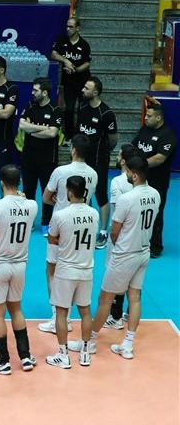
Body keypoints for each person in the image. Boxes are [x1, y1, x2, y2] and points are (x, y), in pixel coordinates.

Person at [67, 156, 160, 361]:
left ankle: (90, 342)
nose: (125, 173)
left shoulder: (127, 199)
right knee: (134, 298)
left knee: (105, 299)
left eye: (128, 172)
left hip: (125, 254)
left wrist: (119, 248)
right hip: (143, 252)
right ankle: (128, 345)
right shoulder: (155, 194)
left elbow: (115, 231)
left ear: (134, 175)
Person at [0, 165, 38, 375]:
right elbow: (24, 201)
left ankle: (2, 361)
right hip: (19, 266)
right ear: (19, 182)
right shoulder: (32, 206)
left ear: (0, 182)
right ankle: (25, 357)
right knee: (16, 309)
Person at [38, 134, 98, 335]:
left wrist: (58, 200)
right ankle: (67, 317)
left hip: (61, 224)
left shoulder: (60, 171)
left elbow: (45, 198)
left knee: (52, 270)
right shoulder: (93, 174)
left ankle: (58, 317)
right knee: (77, 270)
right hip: (83, 224)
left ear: (73, 150)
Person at [45, 176, 98, 369]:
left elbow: (51, 239)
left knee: (61, 312)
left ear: (69, 192)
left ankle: (63, 355)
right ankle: (85, 353)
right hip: (86, 270)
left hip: (66, 270)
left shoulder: (60, 215)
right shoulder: (94, 214)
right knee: (85, 311)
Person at [75, 76, 118, 249]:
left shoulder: (106, 114)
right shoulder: (82, 106)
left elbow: (113, 140)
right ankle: (88, 225)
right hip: (82, 160)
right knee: (83, 193)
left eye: (87, 88)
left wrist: (103, 151)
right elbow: (78, 131)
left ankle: (103, 231)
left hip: (99, 160)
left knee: (100, 195)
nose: (83, 90)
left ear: (96, 92)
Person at [18, 77, 63, 237]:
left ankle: (46, 222)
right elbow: (22, 125)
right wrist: (42, 128)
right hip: (29, 157)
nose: (32, 93)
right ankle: (28, 221)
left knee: (47, 192)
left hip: (48, 159)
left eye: (35, 90)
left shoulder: (55, 110)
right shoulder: (30, 106)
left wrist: (31, 129)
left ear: (44, 92)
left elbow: (52, 133)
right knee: (28, 191)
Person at [131, 101, 176, 258]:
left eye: (148, 116)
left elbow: (159, 158)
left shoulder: (168, 135)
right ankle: (137, 241)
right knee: (136, 211)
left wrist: (138, 165)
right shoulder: (144, 129)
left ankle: (155, 246)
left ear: (158, 118)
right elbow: (134, 146)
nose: (145, 118)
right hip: (139, 181)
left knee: (155, 213)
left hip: (158, 182)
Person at [104, 144, 139, 327]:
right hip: (137, 236)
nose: (116, 157)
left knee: (115, 274)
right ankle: (129, 313)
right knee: (134, 277)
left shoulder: (117, 181)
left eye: (118, 155)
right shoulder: (144, 183)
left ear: (124, 160)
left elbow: (117, 210)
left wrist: (114, 237)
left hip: (121, 235)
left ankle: (115, 317)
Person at [50, 16, 91, 141]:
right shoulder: (62, 40)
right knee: (69, 109)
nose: (68, 29)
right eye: (67, 26)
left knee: (82, 109)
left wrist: (76, 70)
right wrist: (65, 60)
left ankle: (80, 135)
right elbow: (53, 54)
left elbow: (87, 63)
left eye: (71, 27)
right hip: (68, 82)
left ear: (77, 28)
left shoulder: (84, 44)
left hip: (83, 81)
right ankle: (69, 136)